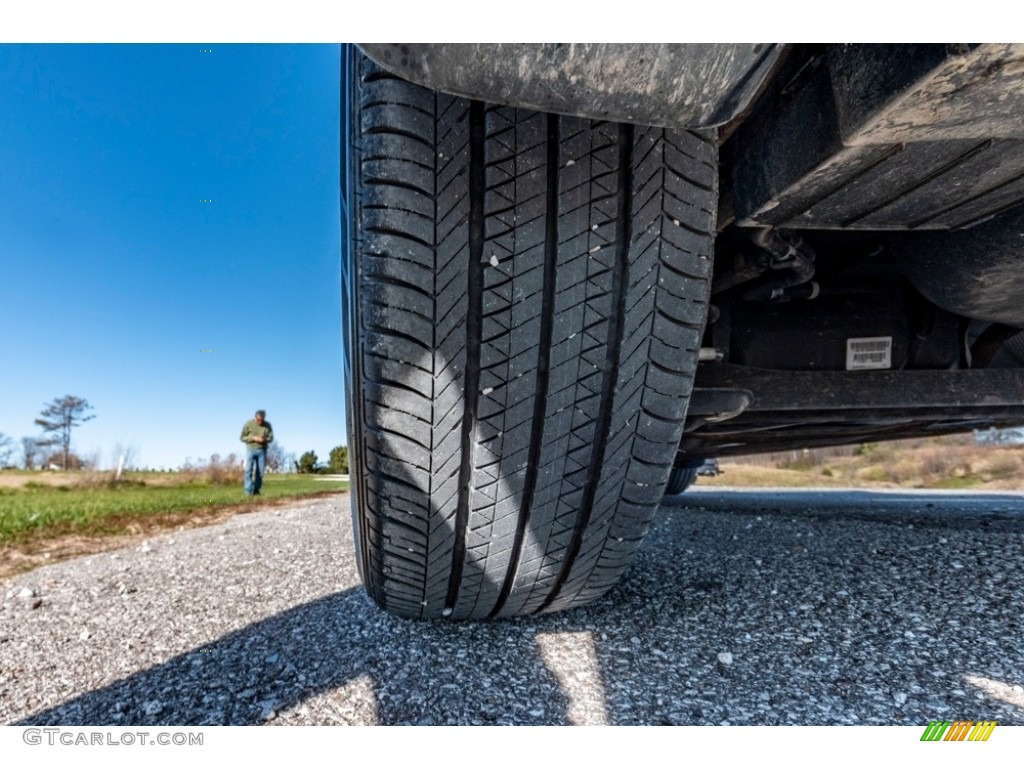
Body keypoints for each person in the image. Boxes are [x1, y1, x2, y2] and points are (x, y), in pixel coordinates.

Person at [240, 409, 273, 495]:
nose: (259, 422)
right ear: (255, 417)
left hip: (262, 450)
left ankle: (256, 490)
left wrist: (264, 440)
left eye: (261, 420)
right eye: (258, 420)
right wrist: (253, 438)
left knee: (260, 471)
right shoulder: (248, 424)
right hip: (250, 449)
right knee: (248, 470)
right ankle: (248, 491)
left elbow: (271, 438)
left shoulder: (268, 425)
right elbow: (242, 437)